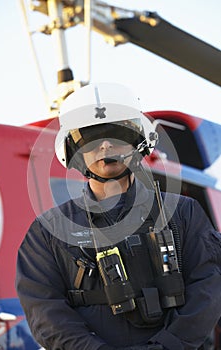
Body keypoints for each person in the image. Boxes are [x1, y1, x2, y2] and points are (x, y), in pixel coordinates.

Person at [16, 82, 221, 350]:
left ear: (139, 143)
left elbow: (208, 289)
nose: (104, 146)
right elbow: (44, 309)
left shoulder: (184, 213)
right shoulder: (47, 231)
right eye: (90, 139)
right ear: (72, 152)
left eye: (116, 135)